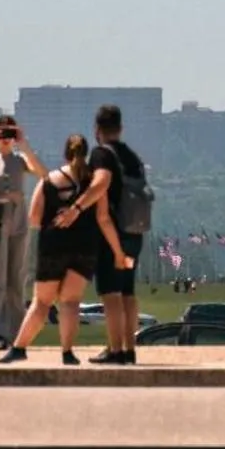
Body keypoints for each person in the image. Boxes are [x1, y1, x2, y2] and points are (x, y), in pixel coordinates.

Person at [0, 135, 127, 366]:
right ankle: (67, 352)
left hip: (53, 246)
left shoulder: (49, 180)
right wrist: (118, 251)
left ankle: (19, 348)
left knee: (41, 303)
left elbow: (34, 218)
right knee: (70, 302)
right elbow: (104, 219)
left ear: (65, 154)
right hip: (85, 248)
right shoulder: (94, 185)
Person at [55, 103, 149, 367]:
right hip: (135, 232)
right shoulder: (133, 157)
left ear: (97, 130)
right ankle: (130, 349)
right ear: (120, 128)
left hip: (112, 234)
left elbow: (101, 183)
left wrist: (76, 208)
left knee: (110, 294)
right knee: (128, 292)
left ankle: (115, 350)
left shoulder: (102, 154)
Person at [0, 117, 47, 351]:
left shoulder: (19, 159)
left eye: (9, 134)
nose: (5, 139)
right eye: (1, 133)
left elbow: (43, 173)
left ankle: (17, 334)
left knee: (17, 278)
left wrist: (23, 144)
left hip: (18, 216)